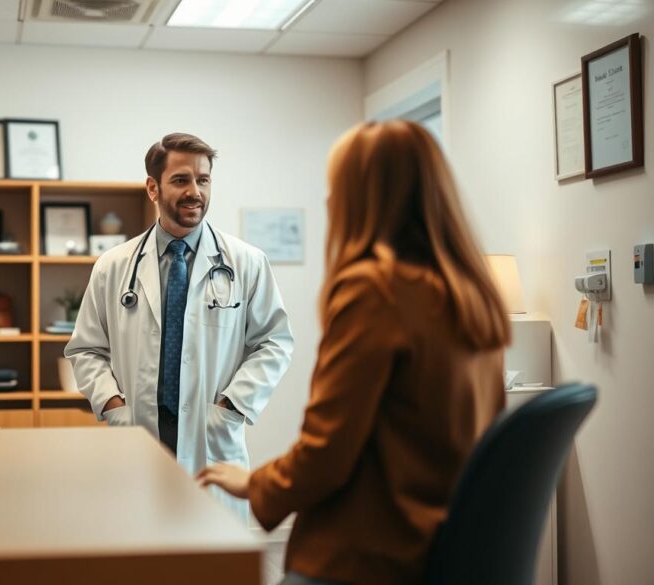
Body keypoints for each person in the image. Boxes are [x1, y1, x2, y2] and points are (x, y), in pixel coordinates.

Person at [198, 120, 510, 585]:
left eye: (335, 187)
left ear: (365, 198)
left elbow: (326, 453)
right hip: (443, 542)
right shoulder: (468, 292)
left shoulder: (374, 291)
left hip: (372, 555)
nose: (327, 200)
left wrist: (254, 483)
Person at [66, 132, 294, 516]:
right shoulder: (114, 265)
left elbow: (274, 342)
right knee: (142, 555)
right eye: (181, 180)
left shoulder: (247, 262)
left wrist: (232, 404)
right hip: (138, 430)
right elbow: (86, 348)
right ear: (153, 188)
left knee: (212, 561)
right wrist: (113, 404)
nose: (195, 192)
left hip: (210, 432)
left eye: (203, 180)